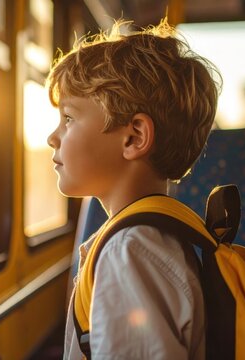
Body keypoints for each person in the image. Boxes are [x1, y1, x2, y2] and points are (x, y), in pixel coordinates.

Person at [46, 18, 220, 359]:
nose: (52, 137)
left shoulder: (129, 253)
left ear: (134, 137)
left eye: (68, 118)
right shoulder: (154, 237)